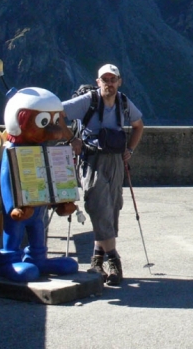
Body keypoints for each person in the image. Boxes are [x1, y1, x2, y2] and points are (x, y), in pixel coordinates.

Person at [63, 64, 144, 286]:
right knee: (99, 206)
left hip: (116, 160)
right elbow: (56, 114)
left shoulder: (124, 102)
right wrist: (72, 140)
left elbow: (138, 125)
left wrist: (130, 150)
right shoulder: (87, 101)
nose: (109, 83)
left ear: (119, 81)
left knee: (113, 206)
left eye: (113, 79)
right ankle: (114, 260)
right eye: (105, 79)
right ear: (98, 82)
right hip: (92, 160)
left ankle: (97, 259)